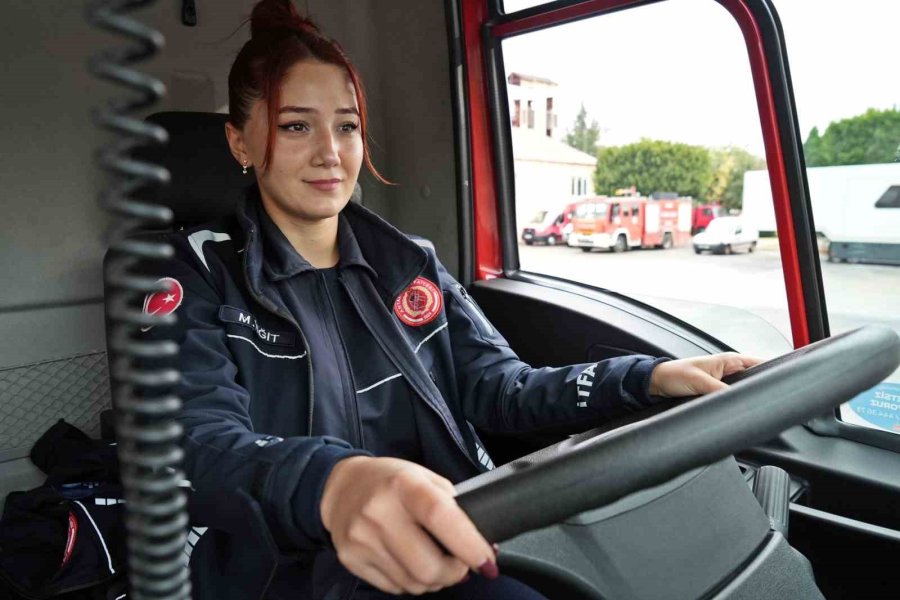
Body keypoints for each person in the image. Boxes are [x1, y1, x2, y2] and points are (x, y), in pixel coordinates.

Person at [143, 1, 760, 598]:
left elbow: (502, 388)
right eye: (295, 125)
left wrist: (646, 377)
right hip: (289, 573)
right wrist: (337, 482)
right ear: (240, 144)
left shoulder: (409, 263)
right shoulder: (190, 271)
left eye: (348, 126)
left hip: (449, 541)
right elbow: (194, 442)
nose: (330, 152)